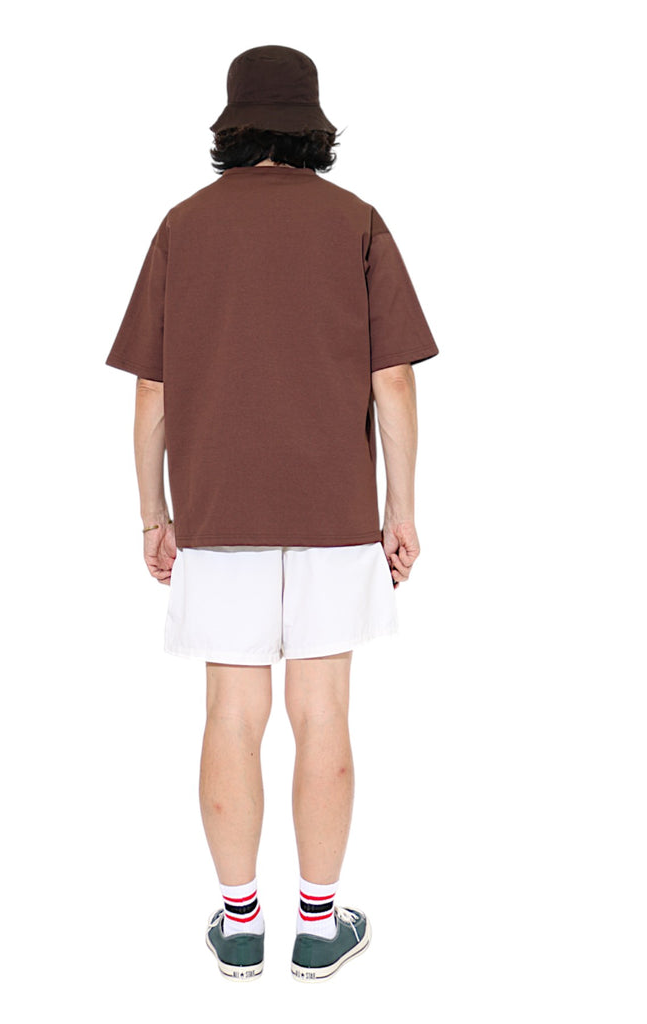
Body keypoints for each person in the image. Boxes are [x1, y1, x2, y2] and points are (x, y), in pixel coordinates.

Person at [105, 45, 439, 982]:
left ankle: (241, 923)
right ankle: (321, 927)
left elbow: (151, 390)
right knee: (321, 711)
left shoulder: (184, 225)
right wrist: (399, 508)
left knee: (232, 712)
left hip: (218, 510)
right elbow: (393, 379)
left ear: (231, 124)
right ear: (313, 127)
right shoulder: (355, 220)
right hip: (334, 510)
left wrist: (153, 513)